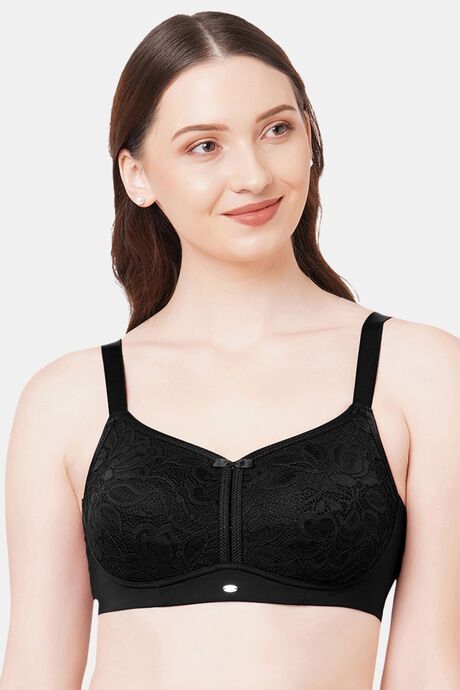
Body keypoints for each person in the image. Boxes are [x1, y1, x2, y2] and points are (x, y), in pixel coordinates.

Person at [2, 11, 460, 690]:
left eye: (277, 130)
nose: (253, 175)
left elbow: (434, 666)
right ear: (137, 176)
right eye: (205, 146)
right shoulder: (66, 398)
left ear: (310, 139)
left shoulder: (421, 374)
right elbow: (35, 670)